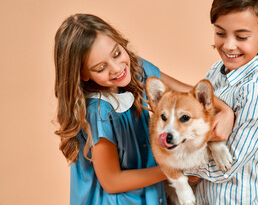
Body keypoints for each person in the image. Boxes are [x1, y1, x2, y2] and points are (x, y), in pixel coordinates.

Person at [53, 13, 234, 204]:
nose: (116, 68)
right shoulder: (98, 112)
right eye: (100, 68)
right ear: (83, 74)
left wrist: (225, 111)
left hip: (148, 196)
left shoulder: (134, 69)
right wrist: (176, 170)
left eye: (116, 53)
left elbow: (186, 93)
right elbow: (112, 182)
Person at [185, 0, 258, 204]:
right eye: (220, 33)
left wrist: (175, 162)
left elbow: (224, 168)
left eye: (241, 37)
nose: (228, 45)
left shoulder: (256, 92)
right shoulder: (217, 72)